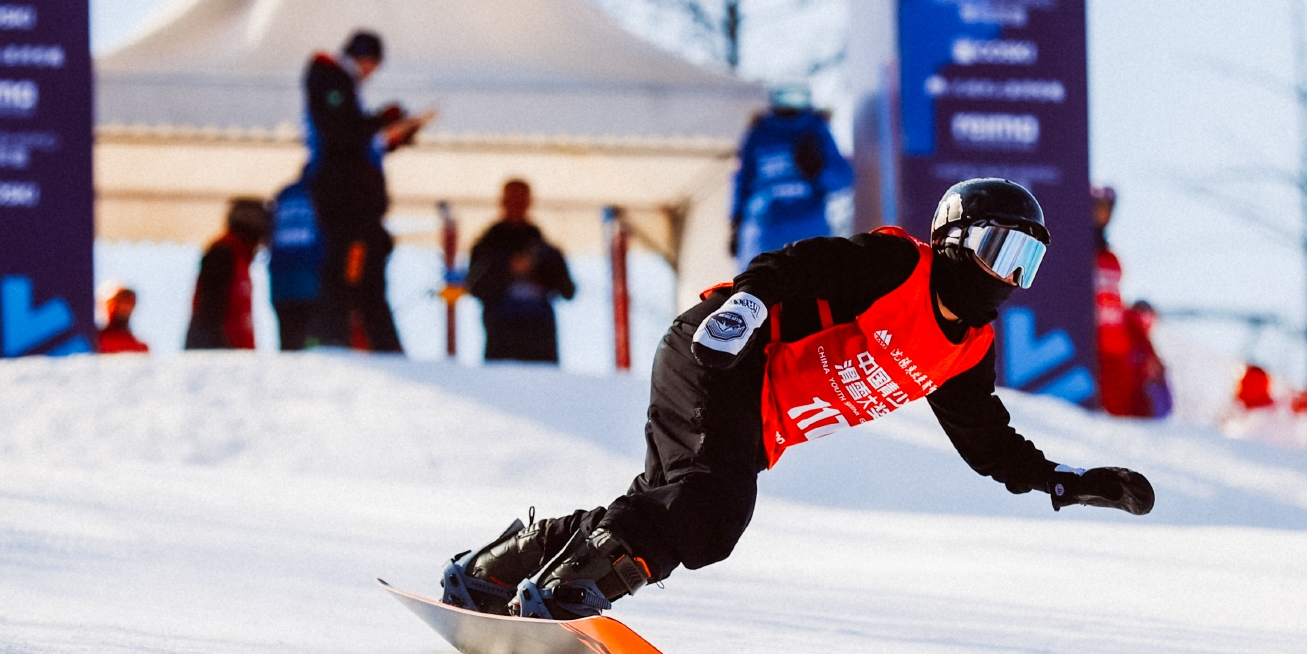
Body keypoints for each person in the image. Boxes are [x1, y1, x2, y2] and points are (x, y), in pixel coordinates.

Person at [441, 178, 1156, 622]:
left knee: (669, 509)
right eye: (1002, 253)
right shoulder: (898, 267)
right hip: (722, 351)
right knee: (711, 515)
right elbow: (802, 263)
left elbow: (987, 441)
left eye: (1025, 265)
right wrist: (747, 304)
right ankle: (567, 593)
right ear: (956, 242)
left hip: (749, 421)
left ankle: (498, 569)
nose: (1009, 278)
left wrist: (1061, 480)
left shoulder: (965, 348)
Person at [304, 30, 431, 353]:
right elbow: (341, 134)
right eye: (372, 63)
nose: (372, 72)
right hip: (345, 202)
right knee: (347, 272)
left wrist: (391, 136)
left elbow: (353, 142)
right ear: (363, 58)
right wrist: (380, 121)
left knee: (360, 272)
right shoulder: (331, 78)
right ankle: (336, 339)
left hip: (351, 202)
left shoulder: (337, 82)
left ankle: (358, 340)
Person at [731, 84, 854, 265]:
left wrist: (818, 170)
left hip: (799, 231)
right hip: (766, 231)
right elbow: (741, 180)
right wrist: (735, 222)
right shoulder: (758, 133)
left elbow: (843, 179)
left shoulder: (816, 131)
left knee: (771, 287)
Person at [466, 178, 575, 363]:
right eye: (512, 199)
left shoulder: (546, 249)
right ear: (502, 202)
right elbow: (474, 287)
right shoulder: (485, 248)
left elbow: (567, 290)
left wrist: (540, 273)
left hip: (539, 338)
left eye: (521, 200)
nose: (517, 205)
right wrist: (507, 270)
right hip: (501, 337)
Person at [1091, 184, 1169, 419]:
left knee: (1123, 412)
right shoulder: (1075, 252)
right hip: (1090, 344)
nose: (1102, 213)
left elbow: (1114, 302)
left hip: (1116, 346)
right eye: (1097, 207)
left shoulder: (1110, 257)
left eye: (1107, 208)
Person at [183, 198, 270, 351]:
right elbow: (210, 310)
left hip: (233, 352)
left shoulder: (240, 257)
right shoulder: (222, 253)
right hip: (218, 352)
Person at [267, 178, 324, 351]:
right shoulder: (322, 192)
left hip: (280, 283)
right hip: (311, 280)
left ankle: (289, 372)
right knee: (312, 341)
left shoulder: (284, 193)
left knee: (288, 340)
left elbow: (268, 231)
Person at [94, 283, 149, 354]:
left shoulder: (140, 348)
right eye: (118, 301)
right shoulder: (92, 339)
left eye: (129, 301)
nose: (124, 307)